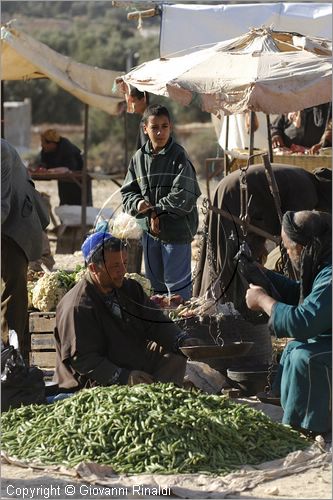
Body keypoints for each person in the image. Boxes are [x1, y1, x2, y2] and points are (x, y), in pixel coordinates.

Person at [53, 231, 198, 391]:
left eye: (125, 262)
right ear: (94, 268)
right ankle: (147, 398)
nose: (122, 270)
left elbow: (155, 322)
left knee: (176, 351)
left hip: (129, 361)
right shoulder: (78, 306)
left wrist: (181, 340)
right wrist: (123, 376)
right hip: (90, 381)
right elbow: (83, 359)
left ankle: (161, 398)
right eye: (115, 266)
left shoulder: (129, 288)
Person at [193, 163, 332, 318]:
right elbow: (292, 237)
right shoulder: (308, 192)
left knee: (242, 257)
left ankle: (233, 304)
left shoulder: (305, 180)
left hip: (238, 191)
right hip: (236, 194)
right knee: (227, 253)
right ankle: (220, 307)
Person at [246, 210, 332, 436]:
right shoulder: (324, 263)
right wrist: (263, 274)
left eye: (287, 246)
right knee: (294, 348)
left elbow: (304, 322)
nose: (284, 251)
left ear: (302, 248)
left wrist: (264, 301)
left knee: (304, 357)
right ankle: (292, 411)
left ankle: (310, 426)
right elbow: (304, 297)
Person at [121, 104, 201, 300]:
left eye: (164, 126)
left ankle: (182, 330)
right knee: (155, 291)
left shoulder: (179, 156)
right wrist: (139, 205)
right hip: (150, 234)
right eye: (154, 127)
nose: (160, 132)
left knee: (178, 292)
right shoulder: (139, 158)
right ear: (145, 129)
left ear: (170, 127)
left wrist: (157, 211)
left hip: (176, 232)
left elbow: (183, 195)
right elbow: (127, 193)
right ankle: (159, 330)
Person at [1, 139, 50, 359]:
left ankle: (12, 361)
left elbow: (2, 206)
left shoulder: (1, 152)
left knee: (11, 295)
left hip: (15, 226)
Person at [36, 129, 92, 206]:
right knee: (65, 205)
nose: (42, 145)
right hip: (64, 182)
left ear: (52, 143)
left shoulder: (67, 148)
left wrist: (52, 170)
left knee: (79, 207)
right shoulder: (46, 150)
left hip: (78, 182)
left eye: (44, 143)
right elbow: (43, 163)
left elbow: (70, 168)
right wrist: (42, 168)